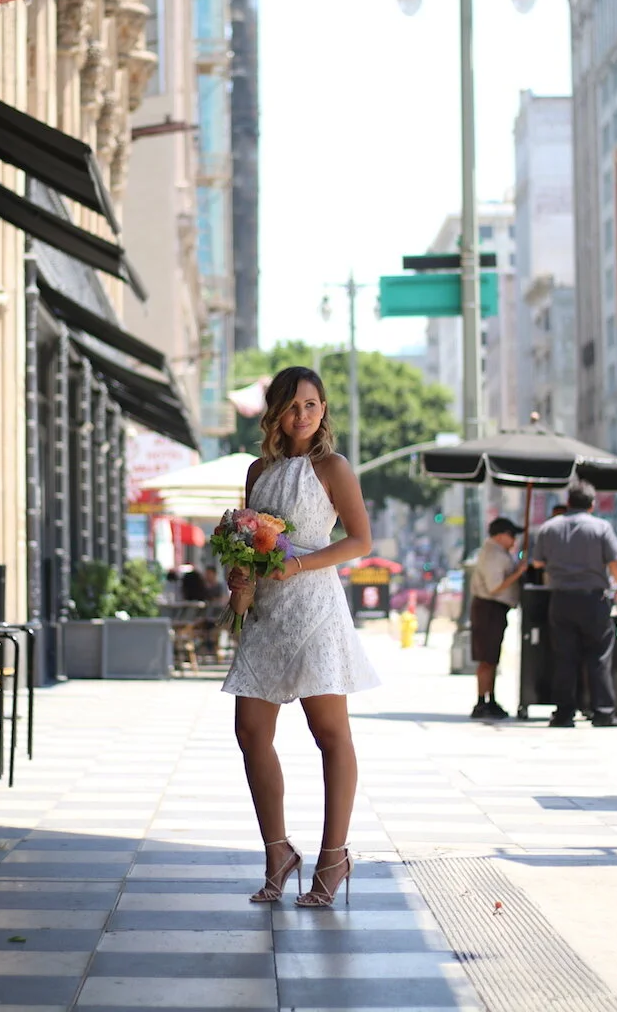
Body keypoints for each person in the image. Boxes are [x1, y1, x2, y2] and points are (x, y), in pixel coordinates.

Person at [222, 366, 379, 907]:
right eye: (293, 406)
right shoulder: (257, 470)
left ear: (323, 409)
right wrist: (238, 578)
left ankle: (334, 857)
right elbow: (247, 537)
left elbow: (360, 539)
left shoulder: (332, 467)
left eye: (312, 405)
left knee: (329, 734)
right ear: (275, 413)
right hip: (265, 611)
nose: (304, 415)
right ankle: (278, 850)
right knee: (250, 732)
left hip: (314, 606)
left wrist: (303, 564)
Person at [531, 478, 617, 728]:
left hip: (561, 599)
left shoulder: (549, 528)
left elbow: (538, 562)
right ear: (592, 505)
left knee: (564, 657)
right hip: (593, 599)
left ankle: (564, 713)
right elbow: (616, 562)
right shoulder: (601, 528)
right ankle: (603, 712)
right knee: (599, 655)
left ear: (568, 502)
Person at [469, 517, 527, 720]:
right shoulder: (493, 554)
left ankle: (491, 698)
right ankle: (481, 701)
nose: (514, 540)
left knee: (492, 657)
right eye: (511, 536)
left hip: (496, 609)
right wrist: (518, 573)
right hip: (488, 608)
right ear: (501, 535)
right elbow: (495, 586)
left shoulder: (500, 553)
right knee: (486, 657)